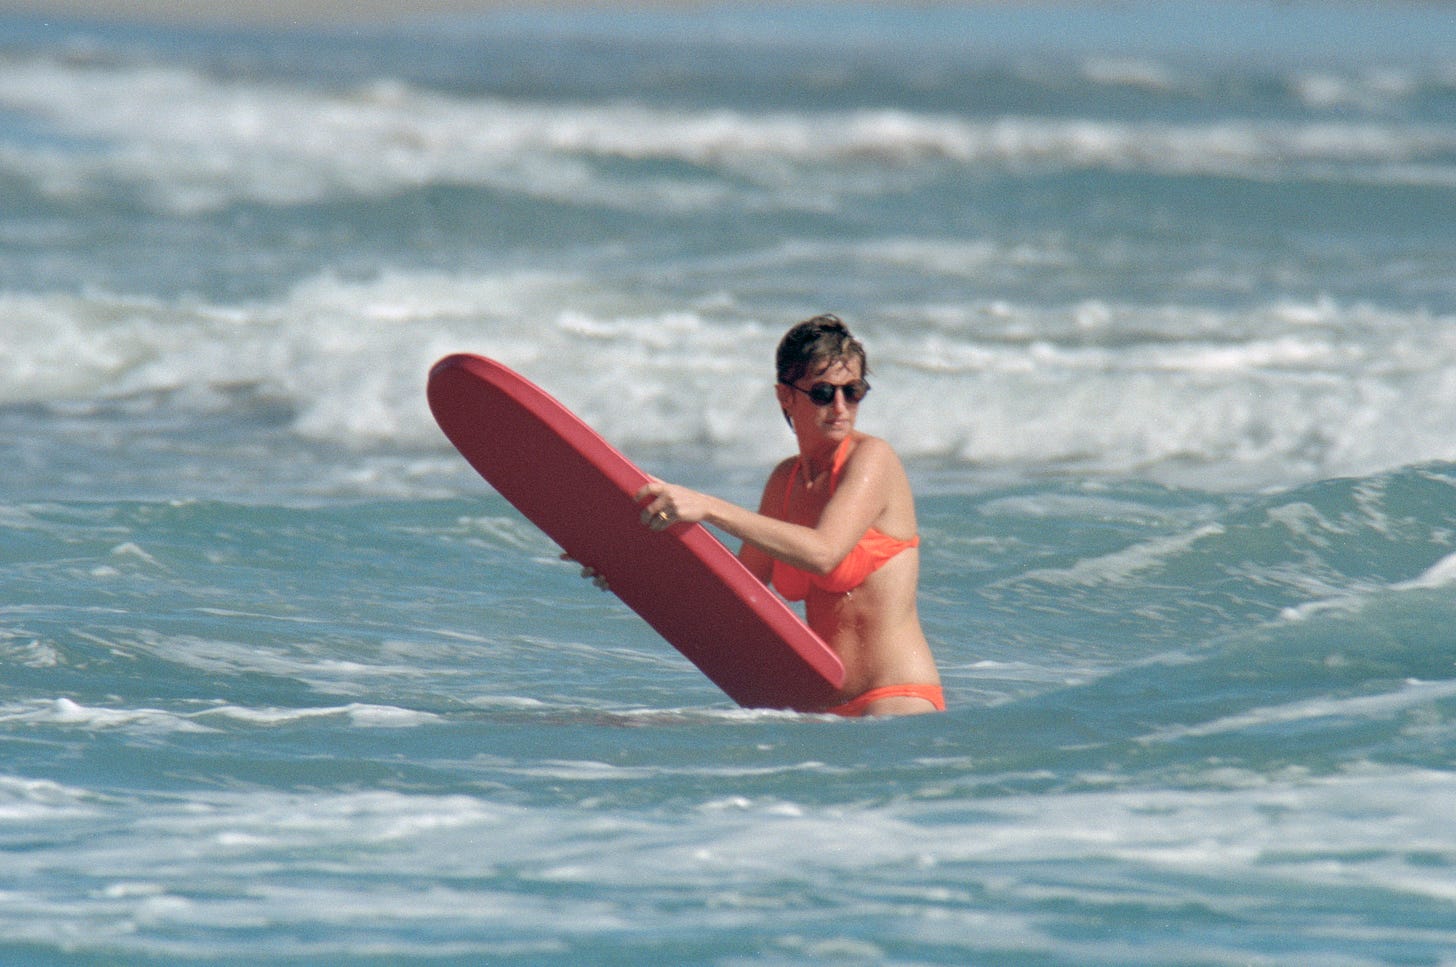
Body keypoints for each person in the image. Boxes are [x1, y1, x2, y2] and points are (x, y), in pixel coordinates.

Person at [626, 314, 943, 717]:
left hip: (896, 697)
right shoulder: (786, 480)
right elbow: (735, 596)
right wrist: (626, 566)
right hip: (821, 709)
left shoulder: (872, 460)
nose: (841, 407)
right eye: (823, 393)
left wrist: (708, 506)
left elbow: (823, 552)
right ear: (785, 397)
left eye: (854, 391)